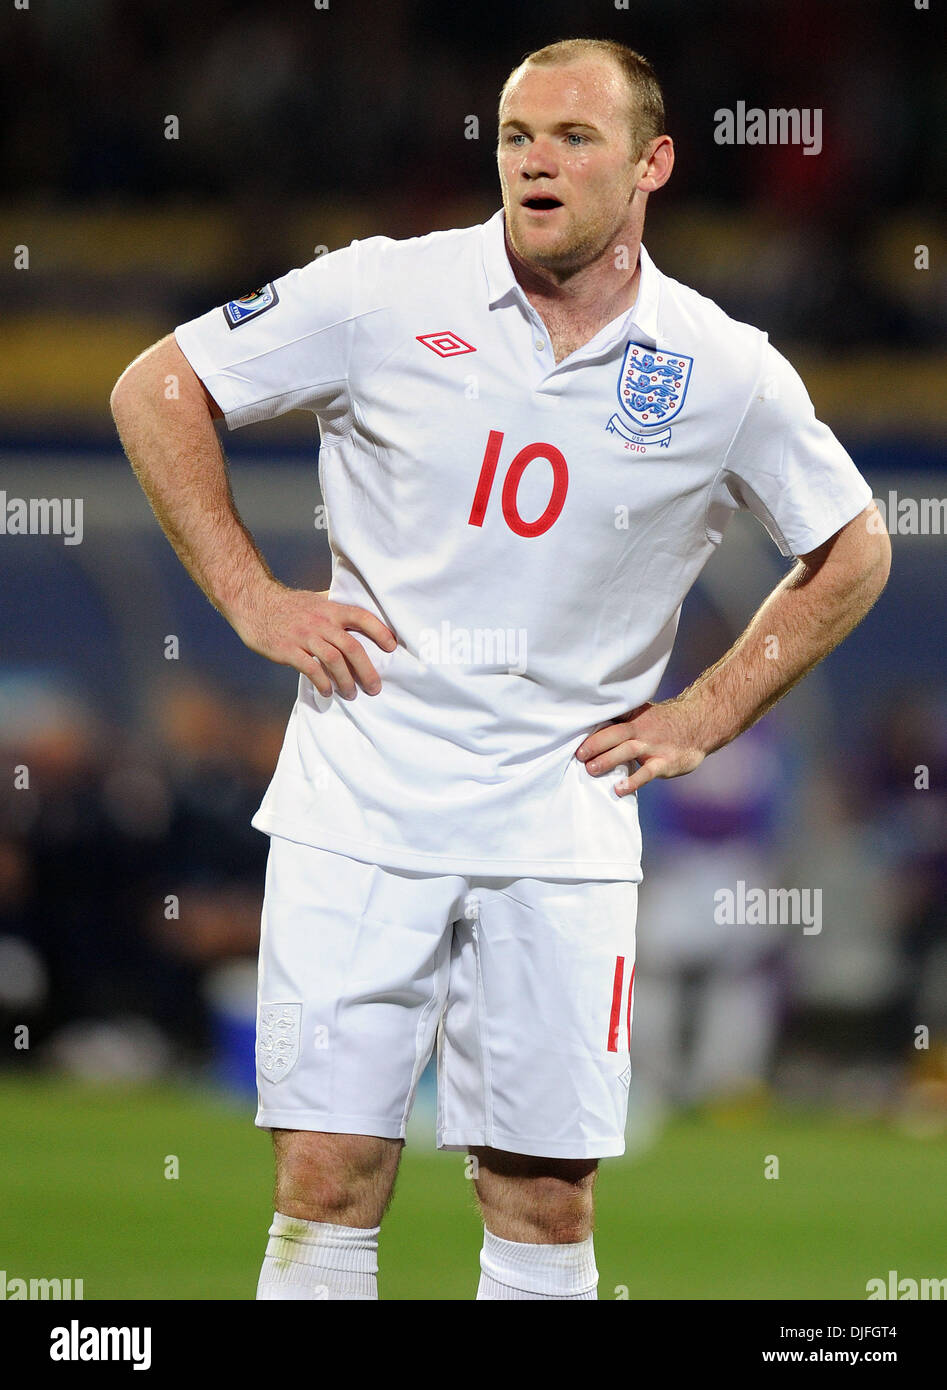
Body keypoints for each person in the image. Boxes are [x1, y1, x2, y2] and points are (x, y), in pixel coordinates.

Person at [109, 37, 890, 1300]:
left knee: (542, 1192)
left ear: (653, 165)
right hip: (361, 798)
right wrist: (251, 596)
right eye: (516, 135)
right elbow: (158, 387)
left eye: (573, 138)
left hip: (561, 818)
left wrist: (705, 711)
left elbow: (852, 547)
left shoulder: (719, 364)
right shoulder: (381, 290)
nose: (535, 160)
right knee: (326, 1173)